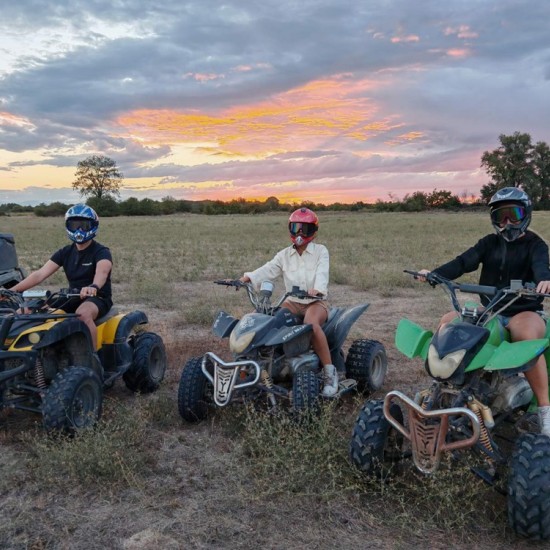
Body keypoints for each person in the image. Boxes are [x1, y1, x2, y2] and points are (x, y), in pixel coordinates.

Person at [416, 187, 550, 436]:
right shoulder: (489, 243)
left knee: (527, 336)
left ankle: (544, 410)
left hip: (524, 310)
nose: (507, 222)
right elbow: (463, 261)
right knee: (449, 321)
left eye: (514, 215)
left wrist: (544, 280)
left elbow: (541, 266)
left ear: (526, 215)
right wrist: (435, 274)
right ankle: (443, 389)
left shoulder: (536, 245)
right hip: (491, 308)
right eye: (501, 216)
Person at [239, 207, 339, 397]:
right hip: (291, 301)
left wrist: (317, 289)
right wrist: (247, 278)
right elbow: (268, 269)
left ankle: (329, 372)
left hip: (315, 302)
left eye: (305, 229)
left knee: (311, 324)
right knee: (267, 320)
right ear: (290, 229)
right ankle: (255, 366)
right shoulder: (284, 255)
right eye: (296, 228)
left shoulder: (320, 251)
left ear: (314, 231)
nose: (300, 233)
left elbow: (322, 272)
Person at [11, 204, 113, 350]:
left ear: (93, 226)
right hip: (72, 296)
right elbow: (40, 274)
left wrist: (93, 287)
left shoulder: (101, 252)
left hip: (97, 297)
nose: (79, 230)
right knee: (27, 310)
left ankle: (92, 357)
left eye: (83, 225)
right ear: (68, 226)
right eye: (74, 225)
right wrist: (11, 290)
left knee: (82, 315)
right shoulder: (65, 252)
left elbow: (102, 272)